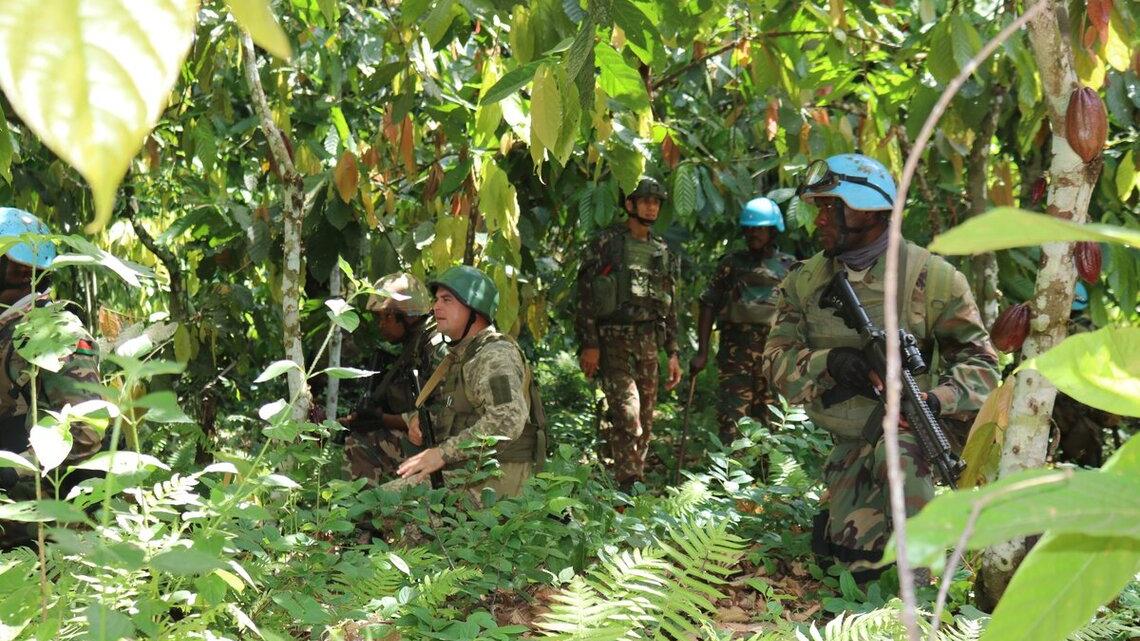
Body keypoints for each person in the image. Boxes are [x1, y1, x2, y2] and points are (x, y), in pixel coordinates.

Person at [762, 154, 999, 580]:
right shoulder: (805, 280)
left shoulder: (934, 278)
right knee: (851, 567)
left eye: (830, 207)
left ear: (869, 211)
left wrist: (934, 400)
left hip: (910, 437)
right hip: (849, 440)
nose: (819, 220)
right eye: (818, 207)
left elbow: (982, 365)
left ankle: (921, 588)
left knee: (902, 452)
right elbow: (775, 361)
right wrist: (833, 363)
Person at [0, 208, 103, 547]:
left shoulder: (57, 333)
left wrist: (14, 468)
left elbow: (86, 431)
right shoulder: (9, 327)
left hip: (45, 531)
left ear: (20, 270)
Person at [395, 265, 545, 498]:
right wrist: (421, 420)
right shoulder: (462, 355)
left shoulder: (495, 354)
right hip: (473, 470)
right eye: (436, 300)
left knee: (385, 504)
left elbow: (507, 420)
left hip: (497, 477)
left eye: (447, 300)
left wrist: (441, 454)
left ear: (475, 309)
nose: (435, 307)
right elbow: (459, 413)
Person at [575, 177, 682, 490]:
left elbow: (670, 303)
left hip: (648, 341)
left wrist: (673, 352)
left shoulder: (661, 249)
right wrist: (590, 344)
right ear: (629, 204)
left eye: (656, 202)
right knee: (627, 413)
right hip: (613, 341)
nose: (651, 207)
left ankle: (633, 484)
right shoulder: (606, 244)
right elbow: (585, 296)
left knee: (645, 421)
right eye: (645, 201)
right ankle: (628, 485)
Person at [690, 196, 795, 443]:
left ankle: (766, 468)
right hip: (734, 357)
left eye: (759, 229)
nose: (753, 234)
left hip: (774, 359)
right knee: (732, 421)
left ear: (773, 230)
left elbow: (803, 313)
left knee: (772, 426)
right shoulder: (731, 264)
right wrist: (702, 352)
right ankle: (732, 466)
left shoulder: (790, 267)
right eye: (749, 229)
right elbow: (708, 304)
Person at [340, 273, 445, 486]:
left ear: (406, 316)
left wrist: (381, 419)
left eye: (386, 317)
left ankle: (362, 506)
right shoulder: (416, 346)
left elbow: (439, 413)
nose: (381, 325)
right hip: (432, 441)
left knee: (361, 443)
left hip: (444, 445)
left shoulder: (433, 347)